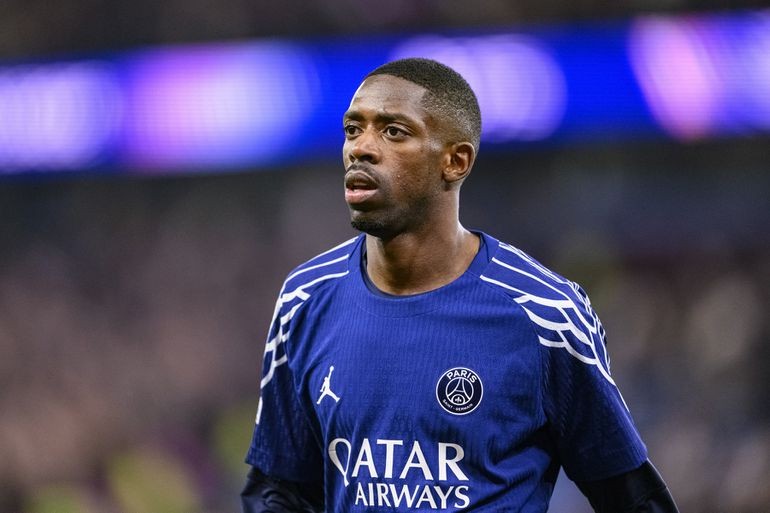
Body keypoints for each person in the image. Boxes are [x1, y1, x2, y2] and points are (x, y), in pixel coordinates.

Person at [241, 57, 679, 512]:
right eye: (353, 129)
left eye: (393, 131)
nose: (361, 148)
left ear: (455, 161)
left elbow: (632, 499)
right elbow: (279, 490)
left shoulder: (545, 314)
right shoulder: (305, 299)